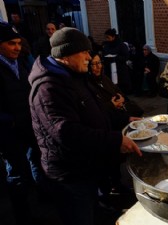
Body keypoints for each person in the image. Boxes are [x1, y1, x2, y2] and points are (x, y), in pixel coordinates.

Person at [28, 27, 142, 225]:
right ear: (67, 54)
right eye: (85, 52)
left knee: (92, 212)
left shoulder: (75, 77)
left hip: (87, 168)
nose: (89, 57)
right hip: (70, 176)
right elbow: (67, 133)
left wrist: (124, 120)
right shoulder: (49, 88)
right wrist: (115, 140)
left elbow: (96, 111)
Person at [0, 21, 43, 225]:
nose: (17, 47)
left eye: (18, 42)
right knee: (17, 175)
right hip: (8, 133)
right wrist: (10, 121)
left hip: (29, 126)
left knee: (37, 160)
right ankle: (23, 218)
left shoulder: (23, 61)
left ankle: (43, 197)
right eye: (11, 43)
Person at [88, 51, 144, 130]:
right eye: (93, 64)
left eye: (99, 62)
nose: (98, 66)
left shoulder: (104, 78)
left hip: (122, 115)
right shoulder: (87, 84)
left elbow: (118, 91)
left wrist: (122, 99)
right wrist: (112, 104)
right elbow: (94, 110)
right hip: (110, 124)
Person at [102, 28, 132, 94]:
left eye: (108, 37)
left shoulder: (121, 45)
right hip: (109, 68)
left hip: (120, 70)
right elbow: (104, 53)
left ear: (113, 37)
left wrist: (115, 57)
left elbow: (126, 57)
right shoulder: (106, 45)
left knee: (121, 88)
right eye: (106, 37)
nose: (107, 39)